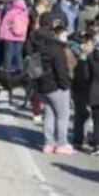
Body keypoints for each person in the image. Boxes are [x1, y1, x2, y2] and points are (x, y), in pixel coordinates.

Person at [32, 13, 74, 155]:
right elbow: (61, 70)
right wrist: (66, 85)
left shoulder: (36, 44)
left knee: (49, 114)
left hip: (41, 84)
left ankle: (48, 143)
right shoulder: (56, 49)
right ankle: (62, 143)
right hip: (56, 86)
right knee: (63, 116)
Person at [70, 32, 95, 150]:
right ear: (83, 45)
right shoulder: (83, 58)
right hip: (81, 89)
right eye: (90, 44)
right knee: (83, 115)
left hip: (78, 88)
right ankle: (80, 139)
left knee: (81, 115)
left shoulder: (81, 56)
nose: (92, 47)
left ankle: (79, 138)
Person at [0, 0, 30, 72]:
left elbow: (3, 25)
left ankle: (7, 69)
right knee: (18, 54)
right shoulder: (25, 14)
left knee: (8, 54)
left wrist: (1, 36)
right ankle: (20, 69)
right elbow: (26, 25)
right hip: (21, 37)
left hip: (9, 37)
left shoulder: (10, 13)